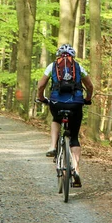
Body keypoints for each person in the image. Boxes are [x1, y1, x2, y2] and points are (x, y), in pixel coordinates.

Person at [36, 44, 94, 187]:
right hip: (76, 104)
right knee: (74, 137)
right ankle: (76, 169)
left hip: (57, 102)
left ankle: (52, 146)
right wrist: (87, 99)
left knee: (56, 119)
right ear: (72, 56)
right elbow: (90, 86)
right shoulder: (79, 67)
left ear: (58, 55)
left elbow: (41, 85)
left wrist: (41, 98)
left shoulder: (52, 66)